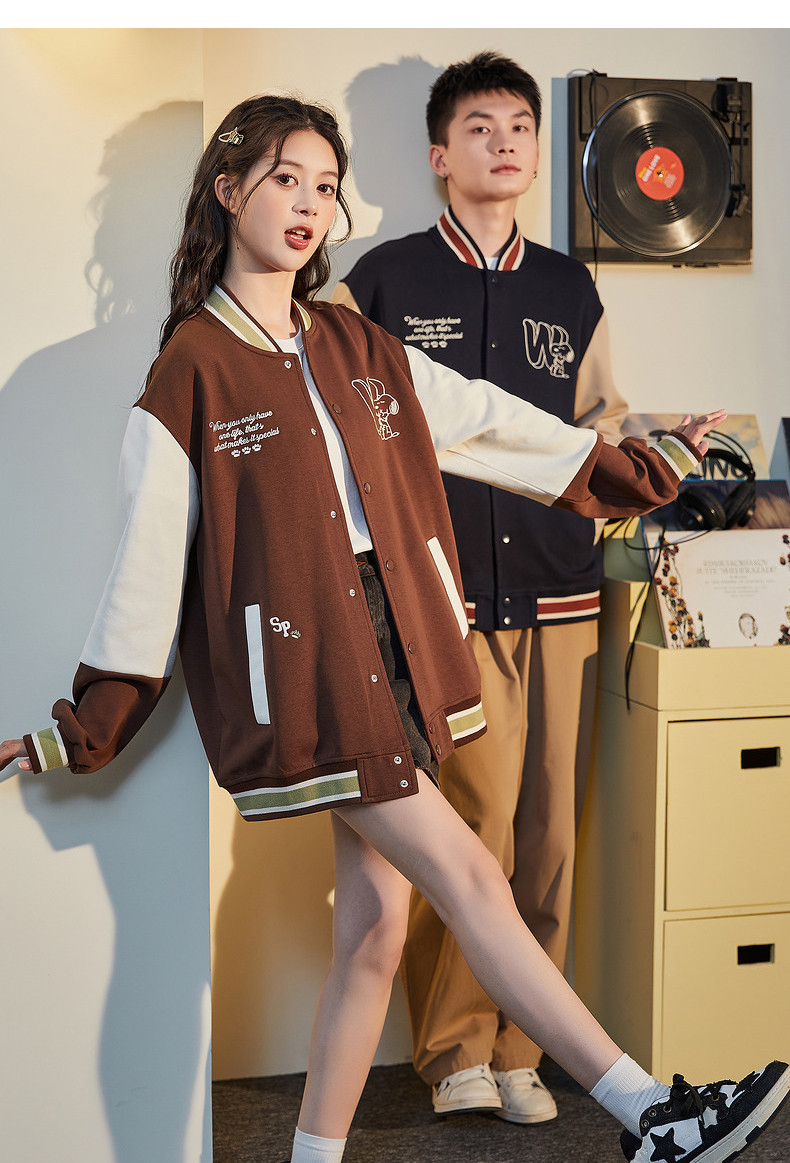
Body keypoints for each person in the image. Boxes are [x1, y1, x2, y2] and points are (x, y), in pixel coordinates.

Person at [1, 94, 786, 1163]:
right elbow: (148, 564)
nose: (308, 204)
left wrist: (635, 468)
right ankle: (653, 1114)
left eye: (325, 186)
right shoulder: (192, 368)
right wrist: (82, 727)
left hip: (400, 642)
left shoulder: (351, 340)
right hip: (312, 671)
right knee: (472, 877)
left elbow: (488, 421)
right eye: (285, 179)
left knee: (372, 932)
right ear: (227, 191)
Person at [332, 51, 628, 1125]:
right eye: (478, 128)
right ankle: (455, 1046)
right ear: (438, 154)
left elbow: (599, 425)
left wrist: (655, 459)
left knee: (549, 839)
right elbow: (340, 424)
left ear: (537, 152)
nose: (503, 143)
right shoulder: (381, 282)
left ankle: (523, 1047)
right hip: (442, 600)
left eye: (519, 127)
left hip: (562, 592)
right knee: (475, 826)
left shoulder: (569, 287)